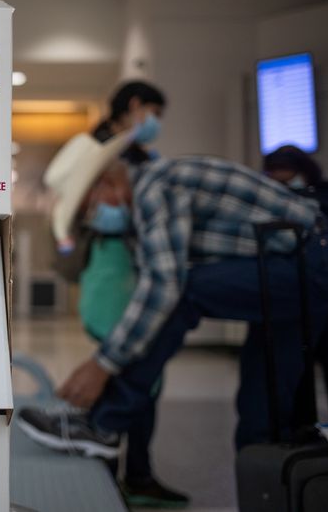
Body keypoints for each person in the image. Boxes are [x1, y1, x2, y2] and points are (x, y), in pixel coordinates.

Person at [19, 154, 328, 470]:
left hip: (312, 263)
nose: (94, 218)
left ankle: (104, 425)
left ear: (108, 182)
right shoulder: (140, 216)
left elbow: (165, 285)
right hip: (293, 266)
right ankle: (268, 493)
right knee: (260, 405)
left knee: (184, 291)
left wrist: (104, 363)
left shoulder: (154, 188)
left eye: (90, 207)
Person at [88, 82, 189, 507]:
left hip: (139, 266)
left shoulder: (146, 158)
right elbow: (82, 205)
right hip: (113, 270)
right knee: (125, 369)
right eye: (154, 112)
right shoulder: (97, 149)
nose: (156, 123)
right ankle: (107, 474)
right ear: (135, 106)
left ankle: (135, 472)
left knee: (148, 372)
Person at [263, 145, 328, 440]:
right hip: (297, 298)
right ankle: (304, 451)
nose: (282, 183)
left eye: (287, 175)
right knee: (297, 382)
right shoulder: (274, 198)